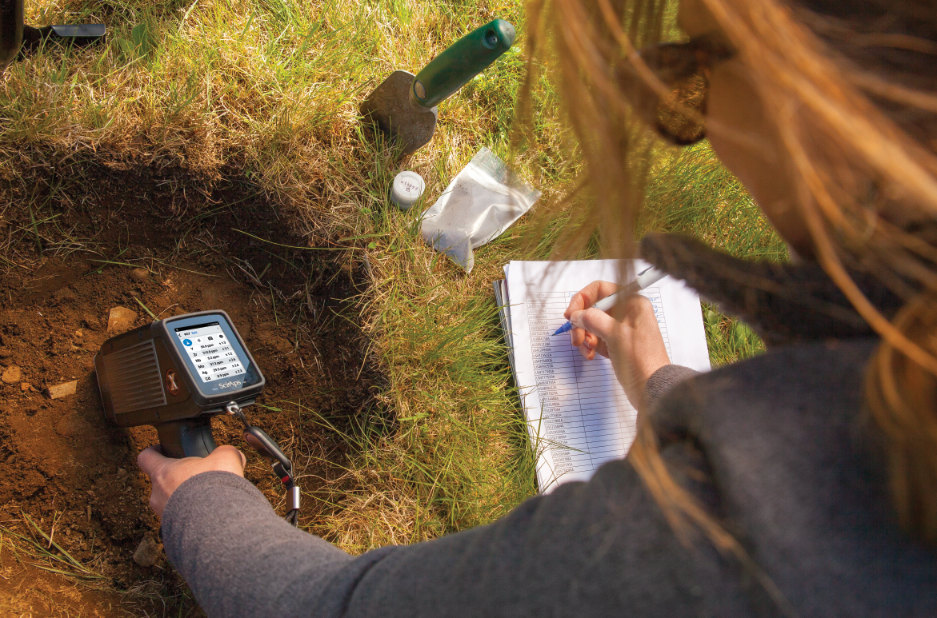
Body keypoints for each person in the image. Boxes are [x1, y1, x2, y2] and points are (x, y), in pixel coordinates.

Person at [138, 0, 937, 614]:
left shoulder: (718, 546)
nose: (683, 106)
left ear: (821, 96)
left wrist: (204, 504)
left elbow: (337, 609)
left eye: (693, 65)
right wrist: (660, 384)